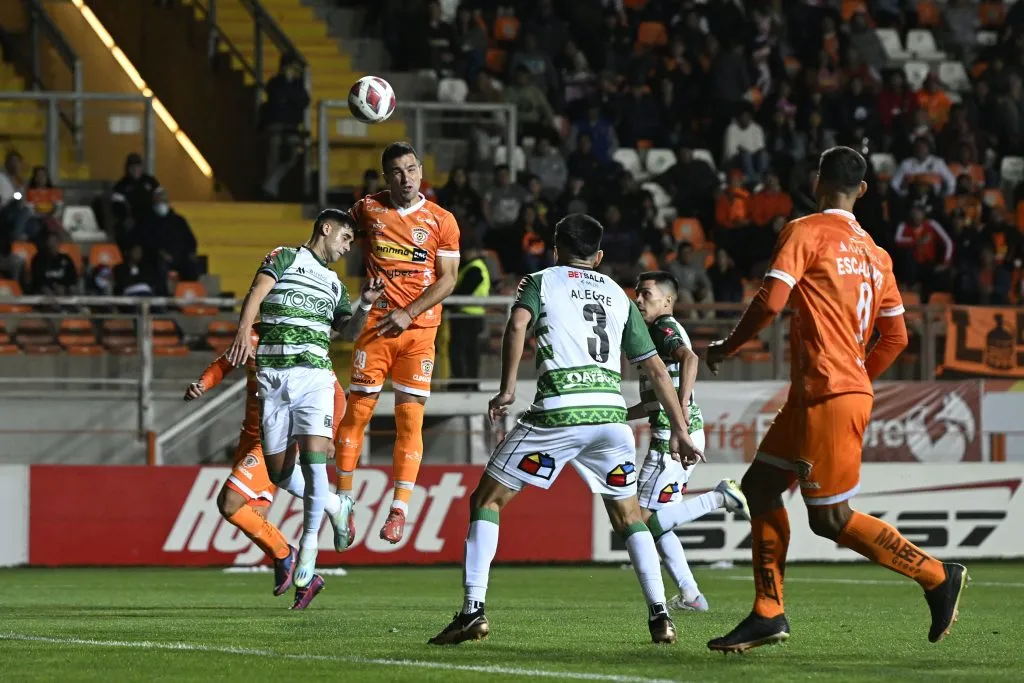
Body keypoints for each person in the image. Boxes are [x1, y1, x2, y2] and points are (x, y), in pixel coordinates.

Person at [704, 147, 968, 652]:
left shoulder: (805, 231)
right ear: (863, 190)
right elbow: (896, 339)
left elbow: (771, 301)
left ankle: (936, 575)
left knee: (829, 519)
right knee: (761, 487)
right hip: (823, 393)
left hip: (827, 393)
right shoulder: (876, 253)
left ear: (816, 180)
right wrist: (856, 377)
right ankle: (768, 611)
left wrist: (727, 346)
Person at [428, 214, 702, 646]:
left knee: (487, 500)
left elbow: (518, 325)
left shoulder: (539, 281)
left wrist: (506, 390)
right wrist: (682, 430)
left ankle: (472, 612)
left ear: (555, 247)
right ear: (599, 255)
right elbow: (654, 367)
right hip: (612, 422)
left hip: (559, 413)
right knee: (629, 517)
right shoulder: (616, 292)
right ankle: (661, 615)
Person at [225, 209, 384, 591]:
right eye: (345, 239)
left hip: (313, 377)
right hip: (273, 379)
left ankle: (309, 547)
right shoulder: (283, 257)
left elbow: (347, 332)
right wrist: (243, 331)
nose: (347, 249)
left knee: (315, 466)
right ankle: (336, 506)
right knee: (281, 473)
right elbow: (257, 293)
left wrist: (364, 304)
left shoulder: (334, 285)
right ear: (326, 229)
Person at [337, 142, 461, 544]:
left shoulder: (442, 220)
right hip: (374, 328)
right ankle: (343, 502)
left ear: (422, 171)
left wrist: (409, 312)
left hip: (418, 333)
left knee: (409, 419)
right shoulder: (366, 209)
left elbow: (448, 279)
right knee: (357, 414)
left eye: (411, 169)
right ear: (385, 176)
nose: (405, 178)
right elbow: (335, 236)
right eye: (396, 172)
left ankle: (398, 509)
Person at [184, 328, 348, 609]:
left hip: (273, 440)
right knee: (254, 517)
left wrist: (330, 434)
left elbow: (337, 394)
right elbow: (225, 363)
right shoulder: (251, 335)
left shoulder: (300, 339)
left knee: (229, 503)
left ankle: (286, 554)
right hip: (248, 437)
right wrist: (203, 383)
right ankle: (306, 582)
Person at [629, 271, 749, 612]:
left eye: (647, 294)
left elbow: (690, 358)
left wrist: (678, 412)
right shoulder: (659, 329)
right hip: (683, 430)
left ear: (667, 301)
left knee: (639, 519)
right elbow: (657, 397)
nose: (639, 299)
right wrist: (622, 414)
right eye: (638, 293)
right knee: (660, 521)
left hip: (674, 436)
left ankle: (718, 498)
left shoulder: (662, 328)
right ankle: (692, 595)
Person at [449, 234, 490, 391]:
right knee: (469, 352)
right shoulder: (474, 267)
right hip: (470, 316)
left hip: (466, 316)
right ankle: (469, 383)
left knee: (460, 351)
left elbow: (463, 292)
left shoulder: (475, 268)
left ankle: (462, 384)